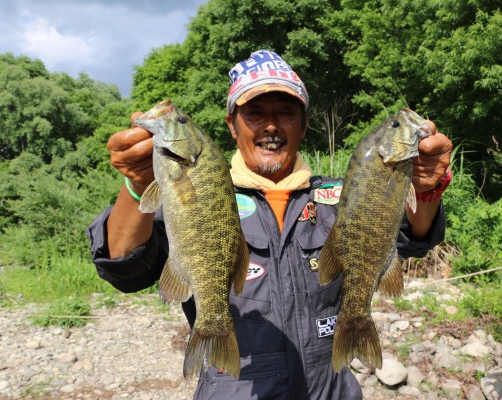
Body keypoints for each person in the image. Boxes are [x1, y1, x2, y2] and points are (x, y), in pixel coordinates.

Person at [87, 50, 453, 399]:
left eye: (286, 113)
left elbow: (414, 238)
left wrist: (425, 188)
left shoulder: (340, 197)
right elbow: (125, 269)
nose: (272, 126)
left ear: (304, 124)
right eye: (255, 113)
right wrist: (136, 188)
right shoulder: (205, 194)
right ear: (232, 124)